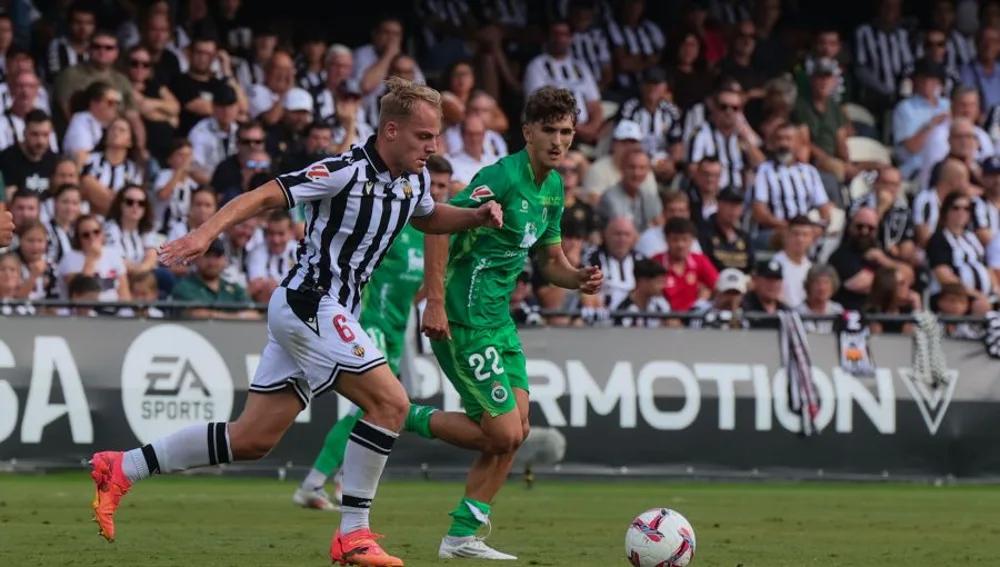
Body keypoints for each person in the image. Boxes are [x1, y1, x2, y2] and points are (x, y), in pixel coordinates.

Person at [89, 77, 504, 567]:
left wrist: (475, 217)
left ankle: (123, 467)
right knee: (391, 403)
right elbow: (267, 194)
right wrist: (205, 232)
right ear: (390, 131)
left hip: (326, 311)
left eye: (436, 137)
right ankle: (354, 533)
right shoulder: (344, 170)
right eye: (424, 136)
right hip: (311, 301)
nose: (433, 147)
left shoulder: (411, 182)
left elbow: (430, 217)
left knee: (252, 440)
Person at [414, 86, 602, 561]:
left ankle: (462, 536)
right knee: (502, 434)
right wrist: (434, 302)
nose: (559, 142)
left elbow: (551, 260)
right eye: (550, 131)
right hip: (463, 318)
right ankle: (401, 415)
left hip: (499, 324)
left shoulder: (553, 188)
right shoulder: (500, 176)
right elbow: (435, 222)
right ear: (527, 132)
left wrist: (577, 278)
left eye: (567, 132)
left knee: (516, 429)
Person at [292, 153, 453, 512]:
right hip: (369, 322)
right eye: (435, 184)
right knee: (371, 405)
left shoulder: (436, 237)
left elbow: (428, 283)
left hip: (399, 328)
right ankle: (314, 482)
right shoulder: (395, 222)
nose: (438, 192)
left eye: (444, 186)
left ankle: (338, 480)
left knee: (375, 408)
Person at [523, 20, 602, 144]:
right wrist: (575, 128)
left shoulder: (580, 66)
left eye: (564, 34)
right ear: (547, 37)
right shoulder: (536, 66)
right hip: (555, 132)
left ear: (570, 38)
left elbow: (595, 105)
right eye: (555, 34)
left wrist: (592, 128)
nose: (560, 39)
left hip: (586, 131)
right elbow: (538, 106)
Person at [927, 191, 996, 314]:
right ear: (945, 211)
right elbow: (944, 276)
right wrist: (977, 295)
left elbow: (986, 268)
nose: (961, 212)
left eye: (966, 209)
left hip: (982, 297)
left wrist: (996, 290)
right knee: (982, 306)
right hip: (954, 297)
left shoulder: (972, 238)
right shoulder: (939, 239)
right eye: (956, 208)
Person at [829, 207, 910, 311]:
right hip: (852, 316)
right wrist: (894, 282)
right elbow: (861, 283)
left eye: (871, 228)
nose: (865, 231)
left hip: (881, 317)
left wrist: (883, 260)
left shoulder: (882, 253)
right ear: (850, 227)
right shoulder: (840, 256)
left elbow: (909, 274)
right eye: (859, 226)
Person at [892, 59, 951, 187]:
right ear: (915, 81)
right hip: (917, 166)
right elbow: (912, 148)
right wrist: (931, 125)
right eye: (922, 79)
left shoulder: (947, 105)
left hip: (948, 165)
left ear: (939, 83)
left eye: (932, 80)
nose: (927, 84)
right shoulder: (905, 108)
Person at [170, 237, 259, 319]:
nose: (212, 262)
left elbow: (253, 315)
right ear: (195, 259)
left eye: (217, 256)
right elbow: (196, 314)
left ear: (224, 260)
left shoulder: (234, 288)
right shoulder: (184, 287)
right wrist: (237, 317)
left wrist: (215, 315)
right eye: (207, 256)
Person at [57, 214, 130, 302]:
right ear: (78, 238)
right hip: (83, 311)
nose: (92, 237)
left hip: (114, 311)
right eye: (86, 235)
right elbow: (79, 294)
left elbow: (124, 294)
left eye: (96, 232)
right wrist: (91, 259)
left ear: (102, 233)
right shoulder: (69, 259)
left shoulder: (114, 254)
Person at [79, 117, 143, 215]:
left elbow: (131, 201)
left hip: (119, 220)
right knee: (87, 181)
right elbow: (81, 188)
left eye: (122, 130)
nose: (116, 132)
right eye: (113, 129)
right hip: (88, 217)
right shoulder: (90, 160)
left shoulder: (134, 170)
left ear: (130, 142)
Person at [653, 217, 718, 312]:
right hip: (663, 318)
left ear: (692, 241)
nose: (680, 245)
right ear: (666, 240)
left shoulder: (700, 261)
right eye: (675, 240)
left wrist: (708, 295)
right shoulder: (656, 262)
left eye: (685, 240)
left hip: (694, 319)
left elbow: (718, 286)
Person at [582, 120, 656, 202]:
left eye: (633, 142)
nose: (629, 147)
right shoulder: (598, 170)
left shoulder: (644, 170)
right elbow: (595, 203)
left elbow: (652, 202)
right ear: (614, 144)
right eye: (624, 142)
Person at [583, 216, 641, 311]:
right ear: (605, 235)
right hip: (603, 314)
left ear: (634, 238)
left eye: (627, 235)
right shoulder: (593, 257)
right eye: (617, 234)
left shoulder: (640, 260)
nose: (622, 239)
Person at [596, 149, 661, 232]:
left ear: (648, 171)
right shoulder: (610, 198)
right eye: (631, 167)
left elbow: (660, 226)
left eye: (642, 168)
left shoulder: (649, 195)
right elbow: (624, 232)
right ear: (622, 168)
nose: (636, 173)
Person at [188, 84, 240, 185]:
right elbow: (193, 169)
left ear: (237, 107)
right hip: (207, 186)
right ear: (213, 107)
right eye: (221, 106)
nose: (226, 111)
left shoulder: (240, 131)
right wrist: (218, 185)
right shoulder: (200, 131)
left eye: (230, 106)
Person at [0, 110, 57, 198]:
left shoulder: (54, 161)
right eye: (35, 134)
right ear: (24, 133)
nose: (40, 141)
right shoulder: (6, 159)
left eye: (45, 135)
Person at [103, 185, 158, 275]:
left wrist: (142, 270)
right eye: (130, 202)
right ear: (120, 205)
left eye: (141, 203)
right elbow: (118, 260)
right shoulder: (110, 228)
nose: (135, 206)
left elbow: (152, 255)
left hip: (142, 275)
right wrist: (139, 271)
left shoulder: (147, 228)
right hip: (119, 275)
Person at [698, 186, 753, 273]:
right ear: (719, 204)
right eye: (729, 205)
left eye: (737, 205)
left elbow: (751, 267)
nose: (733, 210)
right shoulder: (704, 232)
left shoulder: (744, 237)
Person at [246, 210, 296, 303]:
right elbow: (257, 287)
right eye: (271, 233)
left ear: (290, 232)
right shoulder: (256, 252)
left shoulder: (300, 252)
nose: (276, 240)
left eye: (281, 234)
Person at [61, 81, 120, 161]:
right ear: (94, 103)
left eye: (117, 103)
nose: (115, 107)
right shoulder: (81, 121)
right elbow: (80, 158)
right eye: (110, 103)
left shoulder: (110, 125)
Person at [153, 139, 198, 234]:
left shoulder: (193, 184)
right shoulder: (164, 175)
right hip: (160, 230)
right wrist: (180, 171)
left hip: (183, 232)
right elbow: (163, 195)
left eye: (188, 155)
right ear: (170, 159)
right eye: (181, 155)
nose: (185, 159)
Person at [772, 216, 816, 308]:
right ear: (786, 235)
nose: (800, 239)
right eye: (796, 234)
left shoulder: (811, 268)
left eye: (805, 235)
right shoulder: (774, 264)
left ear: (811, 239)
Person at [614, 258, 671, 327]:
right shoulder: (624, 311)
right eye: (659, 282)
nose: (663, 287)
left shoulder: (661, 304)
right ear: (642, 282)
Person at [13, 220, 58, 301]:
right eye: (30, 240)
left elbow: (54, 300)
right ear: (20, 240)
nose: (35, 246)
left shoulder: (51, 266)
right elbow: (14, 300)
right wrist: (33, 276)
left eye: (40, 241)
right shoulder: (10, 263)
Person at [959, 26, 1000, 110]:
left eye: (994, 41)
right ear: (976, 43)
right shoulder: (964, 72)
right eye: (984, 40)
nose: (989, 45)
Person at [796, 264, 844, 333]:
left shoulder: (838, 311)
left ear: (833, 286)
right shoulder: (797, 313)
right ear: (808, 286)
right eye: (817, 283)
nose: (822, 288)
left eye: (826, 282)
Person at [742, 259, 789, 329]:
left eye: (776, 280)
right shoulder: (744, 307)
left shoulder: (787, 311)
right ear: (755, 280)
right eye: (768, 279)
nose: (773, 285)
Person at [448, 114, 493, 185]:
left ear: (484, 134)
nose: (474, 139)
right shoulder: (450, 162)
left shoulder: (494, 161)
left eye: (478, 134)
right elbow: (457, 190)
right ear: (462, 134)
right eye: (470, 134)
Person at [46, 184, 81, 264]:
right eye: (65, 202)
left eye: (75, 203)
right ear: (55, 202)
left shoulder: (80, 231)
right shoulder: (45, 230)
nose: (70, 208)